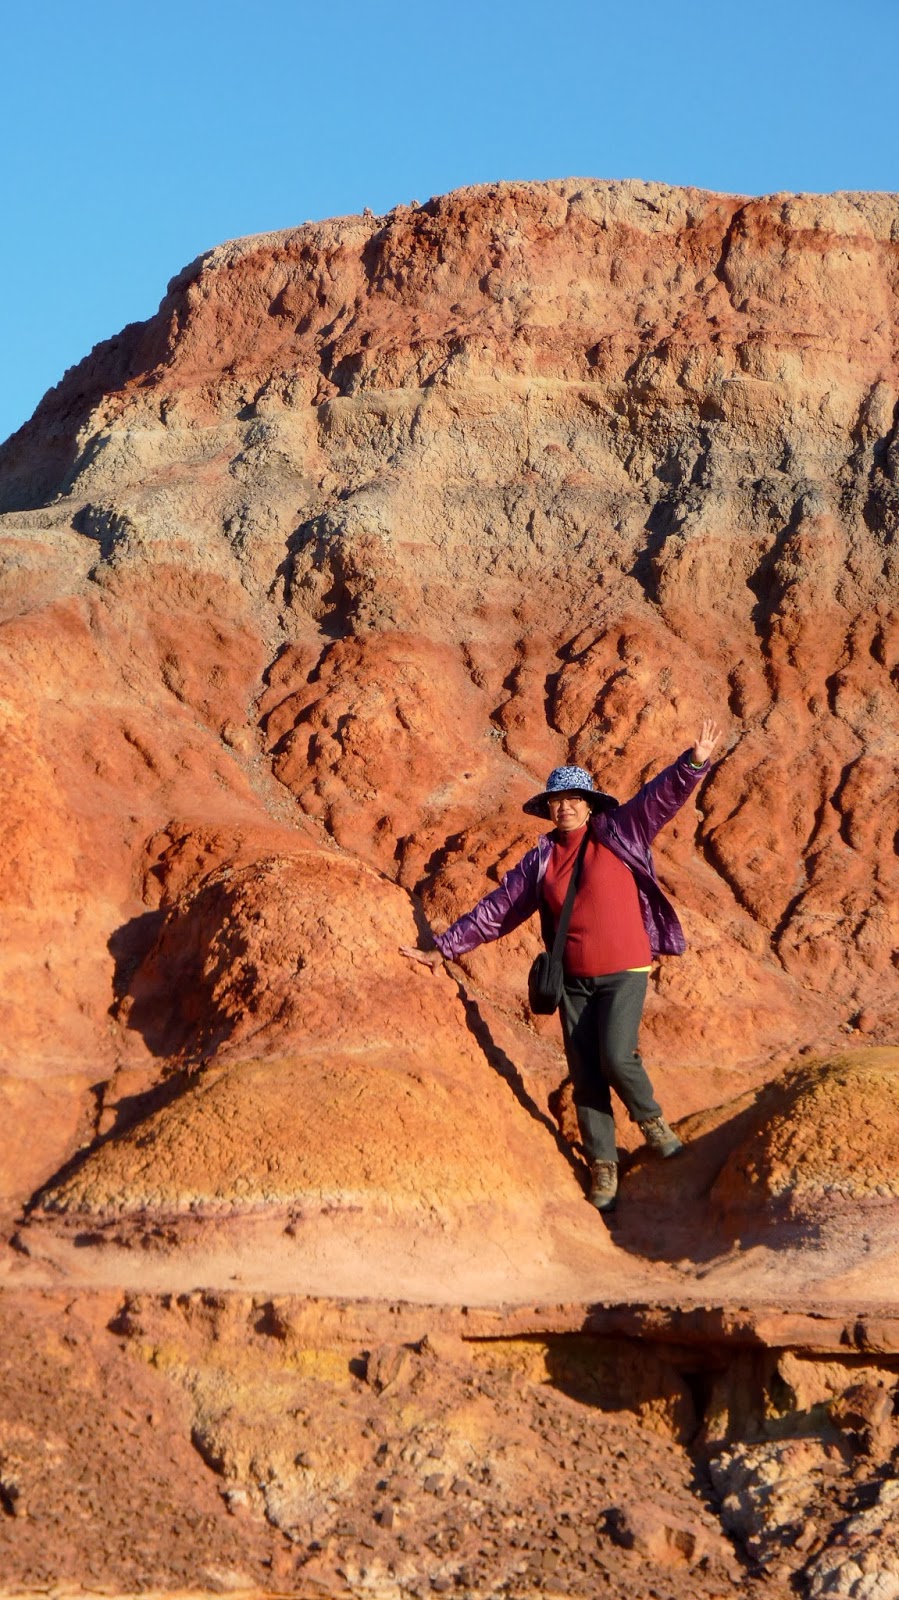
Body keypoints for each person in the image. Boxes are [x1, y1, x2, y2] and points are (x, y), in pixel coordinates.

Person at [402, 719, 723, 1212]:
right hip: (573, 980)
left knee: (616, 1056)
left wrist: (693, 763)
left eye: (575, 798)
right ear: (548, 808)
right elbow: (499, 909)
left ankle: (653, 1122)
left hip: (625, 970)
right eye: (557, 800)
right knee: (586, 1073)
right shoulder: (542, 858)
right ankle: (603, 1166)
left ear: (591, 804)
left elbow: (659, 798)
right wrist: (442, 948)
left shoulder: (621, 831)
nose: (566, 806)